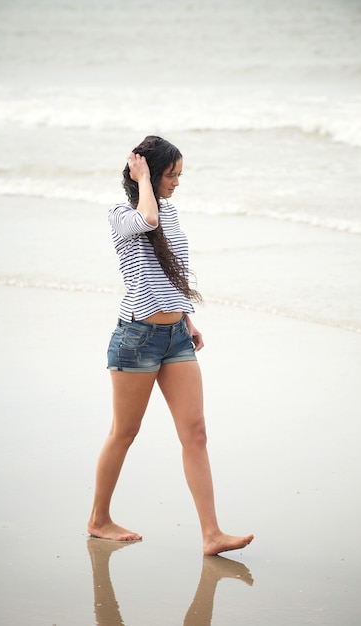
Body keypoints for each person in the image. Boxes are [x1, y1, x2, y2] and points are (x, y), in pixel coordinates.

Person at [87, 136, 254, 555]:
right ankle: (98, 518)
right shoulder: (121, 215)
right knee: (124, 432)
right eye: (170, 174)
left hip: (175, 335)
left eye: (180, 174)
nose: (177, 182)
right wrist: (142, 180)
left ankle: (211, 534)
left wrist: (186, 317)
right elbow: (146, 221)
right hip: (136, 338)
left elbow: (172, 271)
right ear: (146, 173)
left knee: (195, 433)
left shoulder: (172, 212)